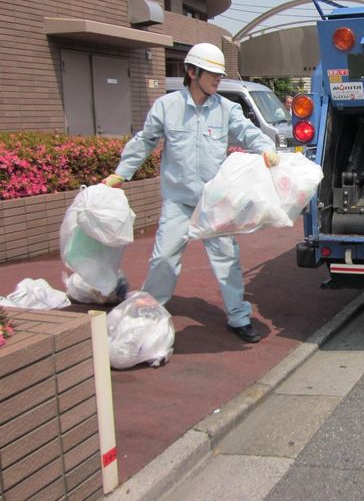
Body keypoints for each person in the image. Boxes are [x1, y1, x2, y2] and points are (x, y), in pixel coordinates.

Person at [102, 43, 280, 343]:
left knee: (227, 261)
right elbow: (145, 141)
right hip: (178, 201)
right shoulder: (166, 107)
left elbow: (249, 132)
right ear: (191, 71)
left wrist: (267, 149)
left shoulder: (227, 109)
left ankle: (238, 317)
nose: (217, 79)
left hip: (214, 203)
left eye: (219, 74)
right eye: (211, 73)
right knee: (163, 259)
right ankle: (151, 314)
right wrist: (121, 173)